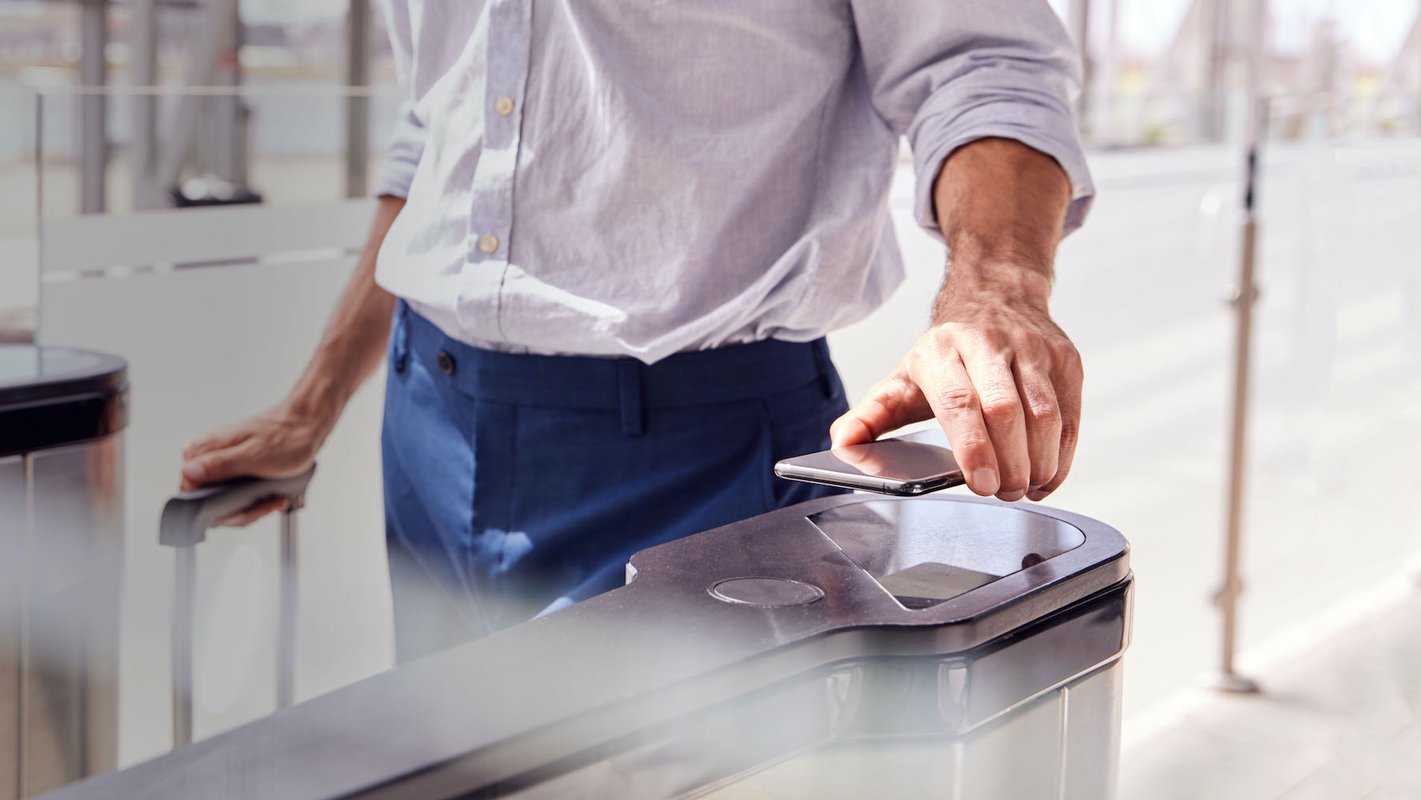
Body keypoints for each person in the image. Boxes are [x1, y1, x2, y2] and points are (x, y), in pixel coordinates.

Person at [180, 0, 1093, 661]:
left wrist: (996, 288)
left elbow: (983, 65)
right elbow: (439, 133)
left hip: (697, 457)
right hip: (428, 431)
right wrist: (315, 401)